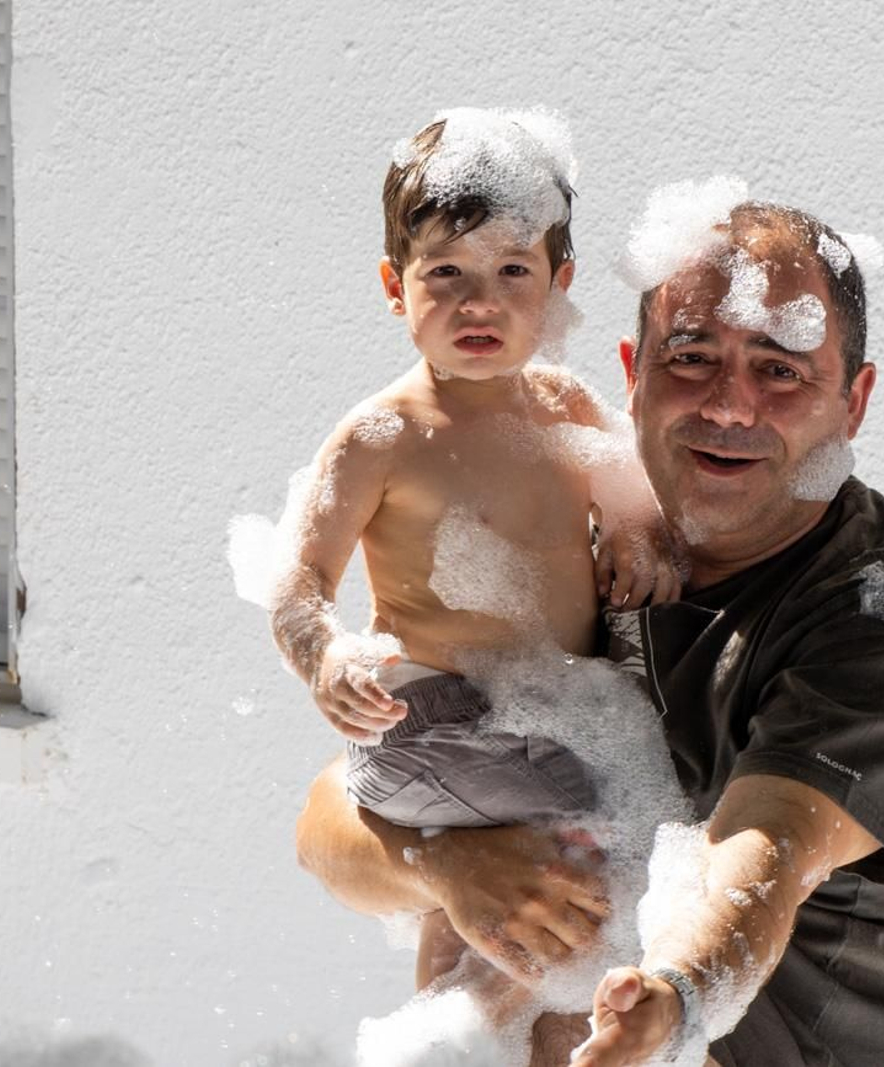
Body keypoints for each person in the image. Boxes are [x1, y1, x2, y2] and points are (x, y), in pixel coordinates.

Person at [296, 198, 884, 1067]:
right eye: (692, 357)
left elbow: (759, 856)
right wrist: (450, 864)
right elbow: (332, 822)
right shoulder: (580, 550)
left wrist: (676, 1003)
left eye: (781, 371)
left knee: (572, 1005)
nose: (730, 406)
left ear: (853, 402)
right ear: (632, 374)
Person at [268, 109, 678, 1014]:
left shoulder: (566, 406)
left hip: (535, 710)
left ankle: (454, 1032)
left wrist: (641, 549)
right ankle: (471, 1027)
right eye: (445, 272)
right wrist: (325, 656)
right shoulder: (381, 435)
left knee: (493, 907)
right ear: (394, 284)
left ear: (560, 285)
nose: (478, 302)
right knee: (617, 815)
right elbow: (298, 583)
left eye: (512, 272)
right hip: (424, 722)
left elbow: (637, 514)